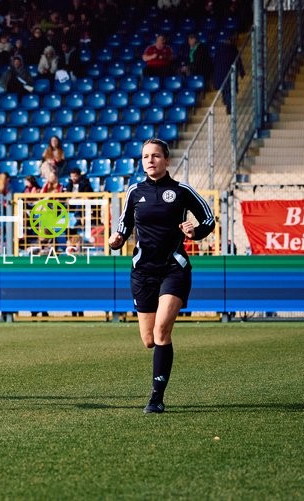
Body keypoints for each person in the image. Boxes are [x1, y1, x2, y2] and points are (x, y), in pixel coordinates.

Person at [108, 138, 215, 414]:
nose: (150, 161)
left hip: (174, 268)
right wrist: (116, 240)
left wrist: (196, 231)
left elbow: (209, 219)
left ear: (167, 160)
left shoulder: (181, 191)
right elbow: (123, 228)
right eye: (145, 157)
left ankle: (156, 396)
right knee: (148, 339)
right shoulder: (134, 192)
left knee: (161, 331)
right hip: (143, 271)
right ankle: (159, 373)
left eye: (155, 156)